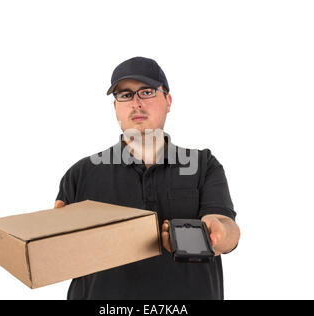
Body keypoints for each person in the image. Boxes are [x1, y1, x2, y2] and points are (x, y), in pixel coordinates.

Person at [55, 56, 240, 300]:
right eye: (125, 95)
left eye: (147, 92)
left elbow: (226, 226)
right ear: (115, 107)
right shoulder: (80, 173)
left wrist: (219, 233)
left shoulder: (203, 165)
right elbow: (62, 254)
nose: (136, 103)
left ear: (168, 100)